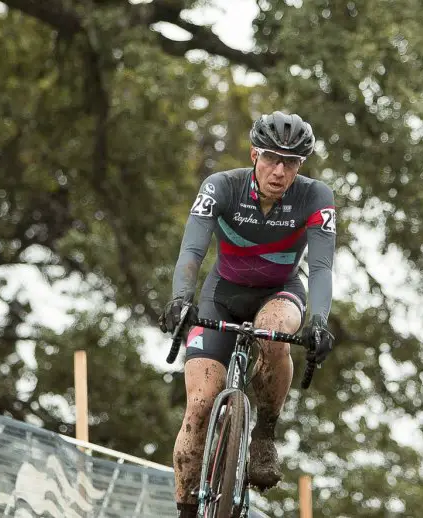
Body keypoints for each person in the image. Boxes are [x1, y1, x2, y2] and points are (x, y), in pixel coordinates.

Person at [159, 111, 336, 518]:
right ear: (254, 153)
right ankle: (186, 509)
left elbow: (323, 268)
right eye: (272, 158)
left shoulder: (315, 197)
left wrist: (320, 321)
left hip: (281, 291)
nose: (279, 170)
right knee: (201, 403)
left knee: (272, 332)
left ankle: (265, 434)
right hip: (222, 294)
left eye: (290, 163)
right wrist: (180, 298)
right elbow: (192, 249)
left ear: (301, 166)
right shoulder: (221, 186)